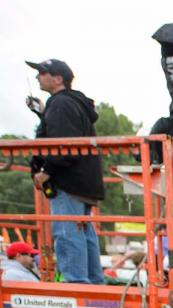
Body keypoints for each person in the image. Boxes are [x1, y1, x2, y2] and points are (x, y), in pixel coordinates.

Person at [26, 59, 105, 285]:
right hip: (83, 181)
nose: (38, 77)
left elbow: (65, 145)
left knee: (67, 233)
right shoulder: (72, 103)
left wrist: (45, 172)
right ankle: (93, 285)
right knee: (82, 232)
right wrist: (43, 114)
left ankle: (76, 287)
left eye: (42, 72)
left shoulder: (60, 104)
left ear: (58, 78)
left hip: (69, 181)